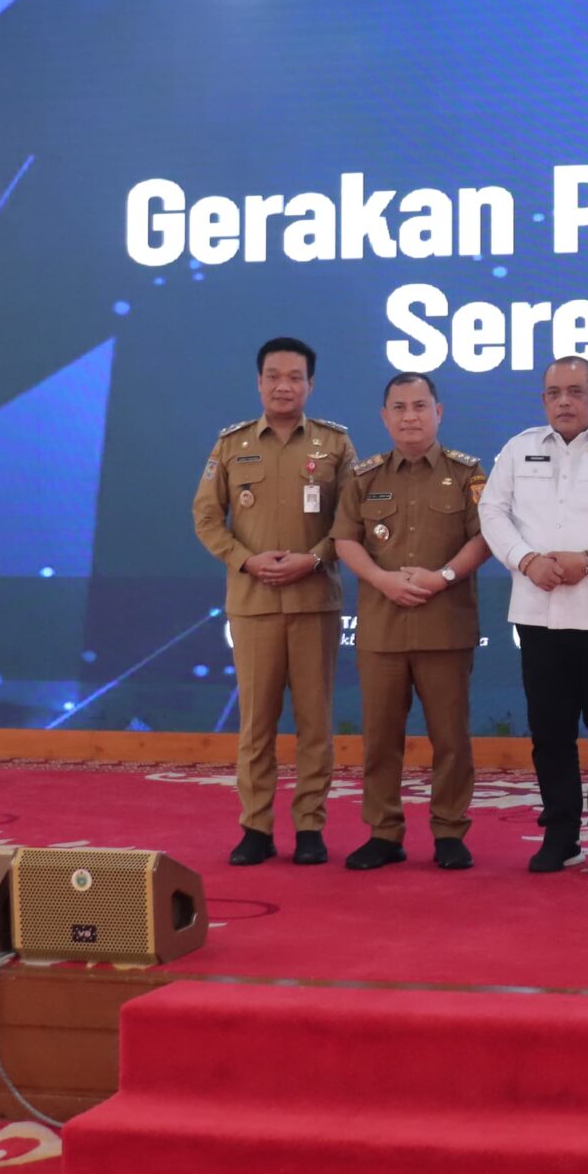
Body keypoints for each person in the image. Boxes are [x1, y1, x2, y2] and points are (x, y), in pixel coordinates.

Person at [477, 356, 588, 874]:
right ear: (543, 400)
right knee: (550, 731)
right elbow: (492, 512)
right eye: (554, 392)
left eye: (576, 392)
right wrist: (527, 560)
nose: (564, 402)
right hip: (538, 614)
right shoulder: (518, 448)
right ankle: (560, 832)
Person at [193, 337, 357, 868]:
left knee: (315, 722)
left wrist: (314, 559)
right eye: (273, 376)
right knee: (256, 724)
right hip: (254, 601)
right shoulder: (231, 444)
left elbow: (349, 522)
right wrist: (245, 560)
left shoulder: (335, 445)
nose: (283, 385)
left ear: (310, 384)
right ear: (259, 382)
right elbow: (206, 517)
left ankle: (310, 826)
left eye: (295, 377)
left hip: (315, 602)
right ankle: (255, 827)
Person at [330, 373, 492, 871]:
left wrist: (442, 577)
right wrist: (382, 580)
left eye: (420, 406)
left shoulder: (468, 474)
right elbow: (344, 540)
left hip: (445, 627)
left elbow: (484, 539)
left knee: (451, 738)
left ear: (438, 412)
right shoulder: (364, 477)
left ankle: (449, 831)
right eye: (399, 407)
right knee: (380, 739)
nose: (409, 416)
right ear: (384, 417)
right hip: (382, 628)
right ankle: (384, 832)